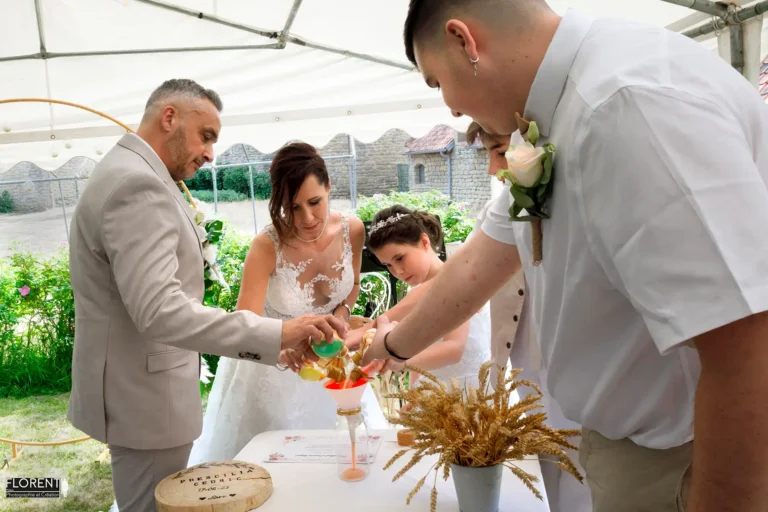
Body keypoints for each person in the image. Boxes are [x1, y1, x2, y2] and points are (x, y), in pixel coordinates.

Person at [363, 2, 768, 511]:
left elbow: (746, 342)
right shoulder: (558, 116)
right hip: (631, 453)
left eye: (435, 81)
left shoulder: (624, 103)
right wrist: (391, 346)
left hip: (684, 464)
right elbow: (478, 263)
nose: (449, 108)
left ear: (464, 41)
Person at [67, 79, 345, 512]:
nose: (211, 153)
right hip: (145, 401)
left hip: (141, 392)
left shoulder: (132, 174)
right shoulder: (136, 186)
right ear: (169, 117)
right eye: (207, 136)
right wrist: (279, 333)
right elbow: (160, 312)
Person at [188, 142, 387, 466]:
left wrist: (339, 316)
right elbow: (244, 323)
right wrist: (282, 350)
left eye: (314, 202)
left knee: (347, 455)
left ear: (329, 187)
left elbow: (351, 287)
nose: (307, 218)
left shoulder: (352, 230)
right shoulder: (267, 246)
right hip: (273, 367)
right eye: (293, 208)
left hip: (331, 359)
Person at [467, 121, 592, 512]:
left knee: (580, 460)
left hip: (574, 354)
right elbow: (467, 274)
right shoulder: (497, 209)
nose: (493, 169)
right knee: (542, 454)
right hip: (523, 357)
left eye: (500, 152)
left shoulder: (576, 201)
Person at [346, 205, 491, 390]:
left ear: (424, 242)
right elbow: (413, 345)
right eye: (388, 265)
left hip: (469, 388)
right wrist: (414, 392)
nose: (397, 271)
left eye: (400, 258)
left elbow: (454, 348)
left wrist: (401, 361)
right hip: (433, 392)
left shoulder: (457, 283)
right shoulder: (413, 294)